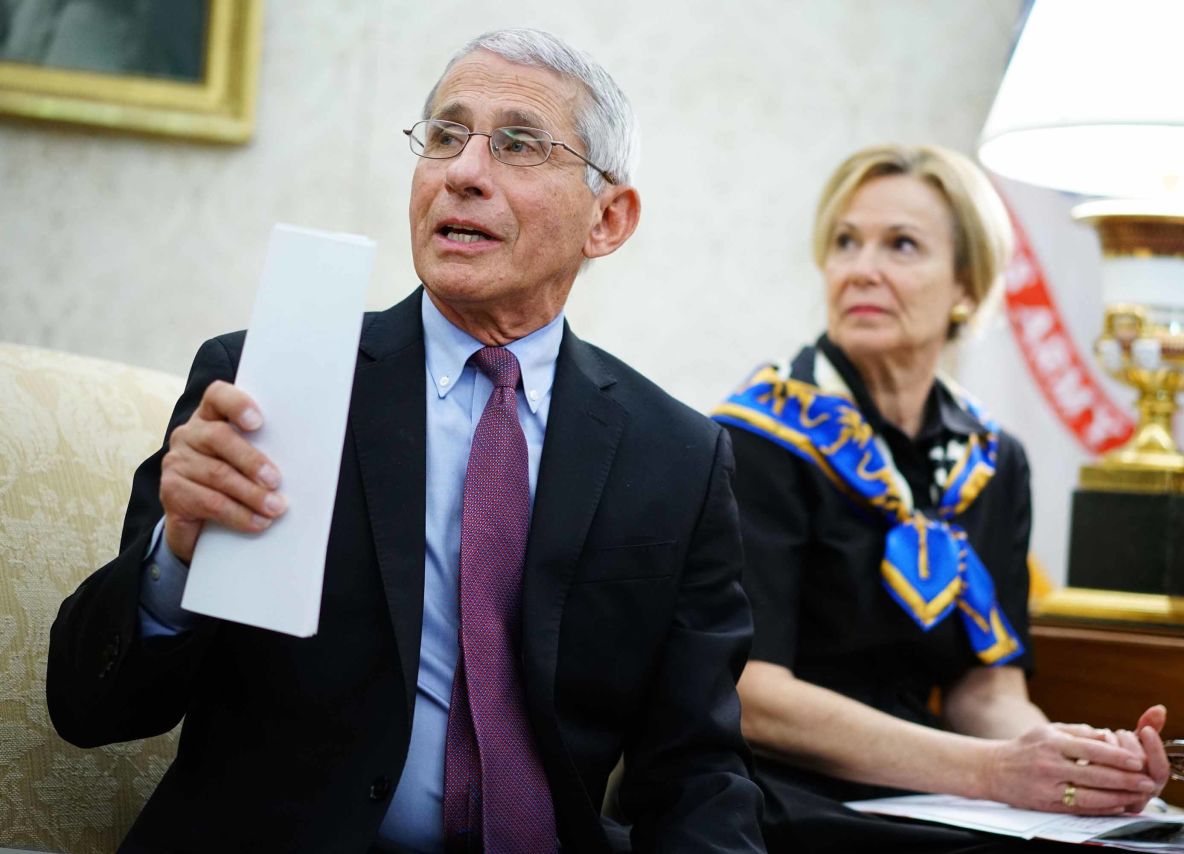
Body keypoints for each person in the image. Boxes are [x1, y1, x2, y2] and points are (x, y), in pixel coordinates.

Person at [47, 28, 764, 854]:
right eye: (445, 136)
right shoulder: (272, 383)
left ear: (608, 218)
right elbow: (89, 707)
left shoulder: (676, 457)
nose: (463, 171)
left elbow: (698, 771)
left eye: (519, 144)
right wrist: (175, 555)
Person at [711, 144, 1170, 852]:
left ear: (965, 285)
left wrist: (1076, 764)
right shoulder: (756, 437)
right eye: (845, 242)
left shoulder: (995, 460)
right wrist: (989, 771)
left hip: (927, 787)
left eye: (901, 245)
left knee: (1152, 844)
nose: (862, 267)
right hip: (768, 788)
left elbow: (983, 692)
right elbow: (752, 697)